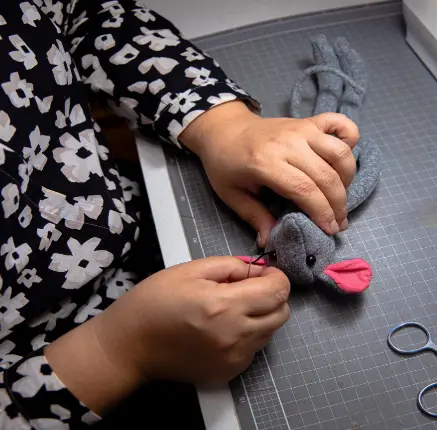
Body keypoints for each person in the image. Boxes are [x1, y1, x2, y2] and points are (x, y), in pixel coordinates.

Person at [0, 1, 359, 428]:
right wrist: (114, 353)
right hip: (59, 380)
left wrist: (220, 122)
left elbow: (85, 12)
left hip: (125, 216)